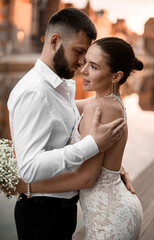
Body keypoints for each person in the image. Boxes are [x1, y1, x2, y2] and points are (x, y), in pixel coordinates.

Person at [7, 8, 128, 240]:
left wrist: (112, 170)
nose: (83, 62)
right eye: (79, 51)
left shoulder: (60, 87)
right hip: (41, 215)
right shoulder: (35, 92)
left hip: (63, 211)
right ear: (55, 41)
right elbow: (29, 168)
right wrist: (92, 145)